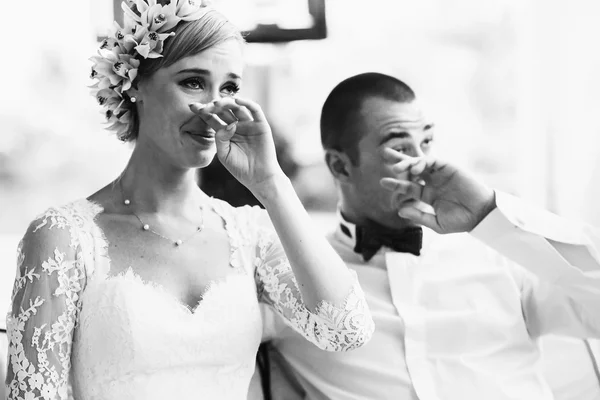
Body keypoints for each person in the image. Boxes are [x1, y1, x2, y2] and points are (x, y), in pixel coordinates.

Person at [3, 3, 374, 399]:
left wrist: (271, 183)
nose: (218, 108)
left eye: (230, 87)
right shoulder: (64, 238)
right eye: (193, 82)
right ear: (135, 85)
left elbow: (346, 331)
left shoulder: (248, 234)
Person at [260, 72, 600, 400]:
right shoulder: (291, 281)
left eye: (426, 142)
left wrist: (487, 213)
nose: (423, 165)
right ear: (340, 166)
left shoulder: (503, 254)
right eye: (400, 148)